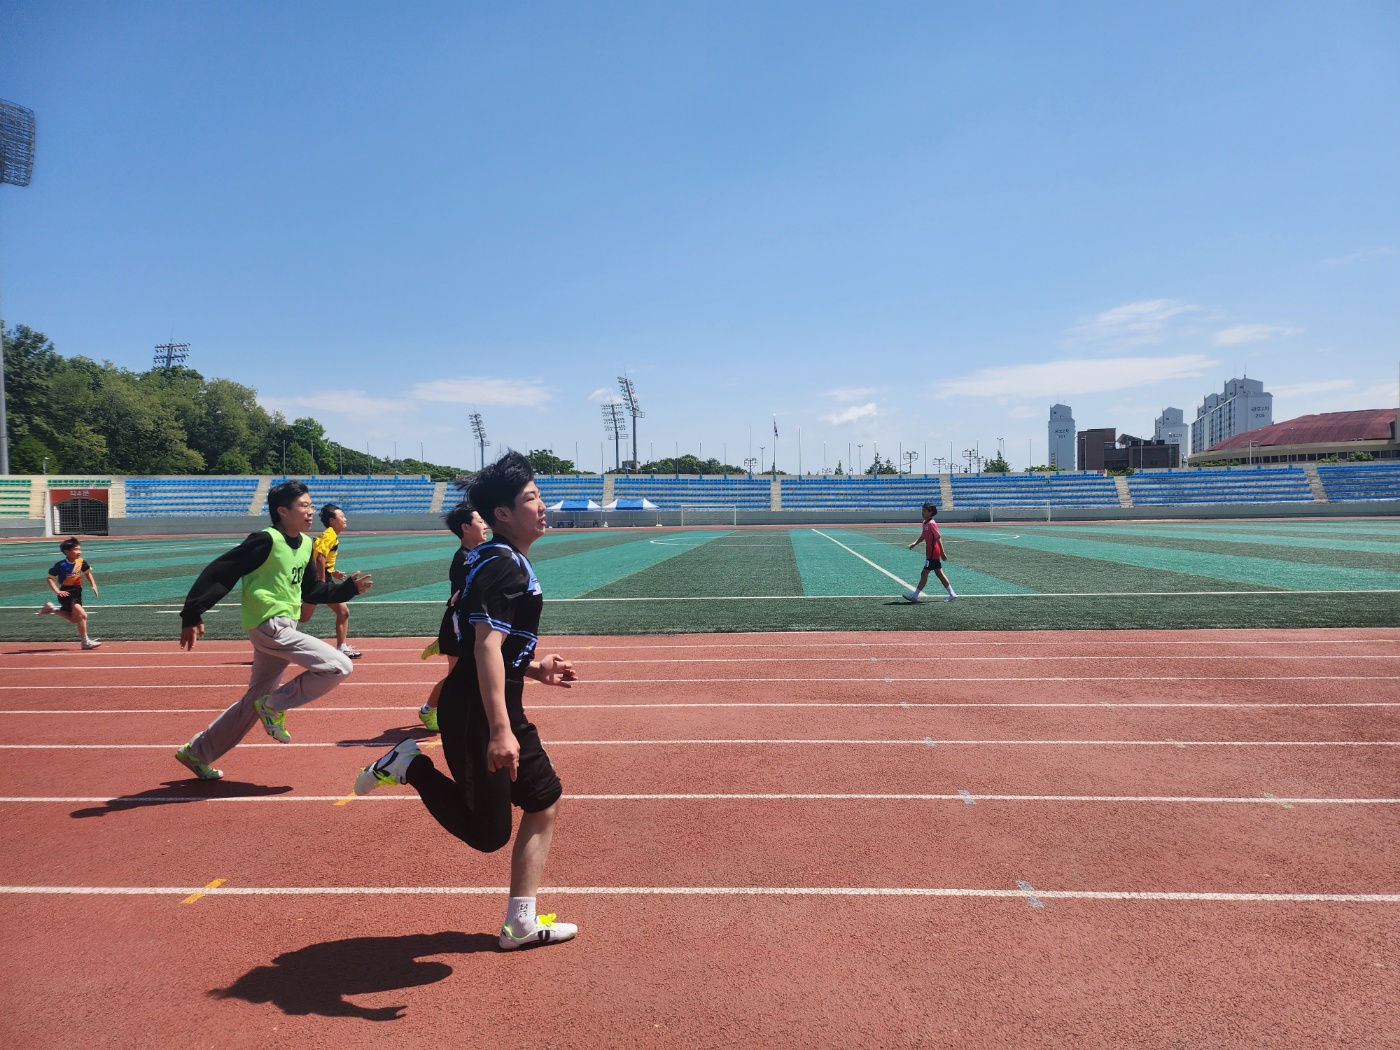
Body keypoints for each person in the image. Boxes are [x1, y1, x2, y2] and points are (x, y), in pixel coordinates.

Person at [353, 452, 579, 951]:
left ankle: (520, 923)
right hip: (478, 711)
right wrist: (500, 729)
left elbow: (490, 641)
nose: (542, 506)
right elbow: (484, 646)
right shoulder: (503, 563)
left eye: (538, 495)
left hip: (494, 703)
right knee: (488, 834)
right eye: (531, 499)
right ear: (501, 513)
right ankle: (410, 766)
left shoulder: (500, 558)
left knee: (543, 800)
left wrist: (535, 667)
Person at [173, 480, 373, 781]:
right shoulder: (265, 540)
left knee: (251, 703)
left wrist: (346, 589)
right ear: (283, 510)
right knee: (338, 666)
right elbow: (221, 571)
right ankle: (274, 705)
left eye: (311, 505)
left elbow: (312, 589)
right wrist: (192, 613)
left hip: (284, 626)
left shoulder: (306, 545)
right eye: (303, 506)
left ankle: (197, 751)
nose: (310, 511)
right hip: (268, 624)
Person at [416, 499, 491, 733]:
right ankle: (429, 710)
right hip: (459, 624)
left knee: (469, 673)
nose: (486, 525)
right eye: (480, 521)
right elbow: (464, 598)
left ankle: (462, 714)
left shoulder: (473, 554)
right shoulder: (464, 558)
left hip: (462, 624)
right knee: (458, 675)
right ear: (466, 528)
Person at [299, 503, 360, 659]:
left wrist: (332, 571)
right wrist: (322, 582)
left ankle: (274, 633)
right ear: (332, 520)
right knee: (343, 612)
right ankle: (341, 648)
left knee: (302, 618)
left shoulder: (331, 535)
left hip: (320, 577)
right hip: (318, 579)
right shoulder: (329, 535)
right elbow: (320, 557)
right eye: (342, 516)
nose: (345, 519)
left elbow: (320, 557)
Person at [37, 536, 100, 649]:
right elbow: (49, 578)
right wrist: (57, 591)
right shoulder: (61, 565)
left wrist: (93, 585)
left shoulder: (81, 561)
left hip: (77, 591)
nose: (79, 551)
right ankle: (85, 642)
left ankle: (52, 609)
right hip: (66, 592)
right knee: (82, 615)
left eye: (79, 549)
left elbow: (87, 572)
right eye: (76, 549)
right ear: (67, 552)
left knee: (74, 619)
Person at [905, 502, 957, 603]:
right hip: (930, 552)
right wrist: (914, 543)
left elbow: (938, 537)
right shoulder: (925, 523)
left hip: (934, 553)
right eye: (922, 510)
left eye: (924, 511)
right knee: (939, 574)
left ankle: (915, 595)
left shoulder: (932, 523)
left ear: (930, 512)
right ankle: (952, 593)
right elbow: (923, 536)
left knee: (924, 573)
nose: (922, 513)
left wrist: (942, 552)